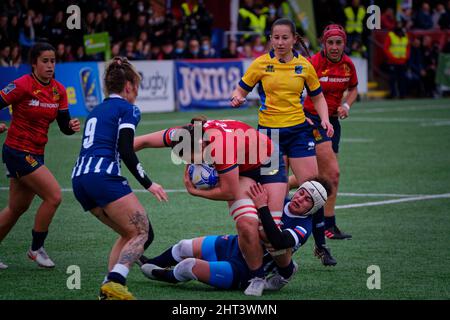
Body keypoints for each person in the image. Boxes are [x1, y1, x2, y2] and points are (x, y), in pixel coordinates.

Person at [134, 118, 288, 296]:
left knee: (269, 232)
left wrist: (195, 192)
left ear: (203, 145)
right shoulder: (183, 134)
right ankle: (257, 277)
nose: (192, 164)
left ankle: (286, 272)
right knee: (246, 224)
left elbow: (229, 192)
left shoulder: (220, 148)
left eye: (194, 159)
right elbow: (140, 141)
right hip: (242, 165)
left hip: (269, 162)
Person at [230, 18, 336, 266]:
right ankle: (271, 246)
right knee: (271, 194)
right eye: (275, 37)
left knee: (313, 189)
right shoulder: (260, 64)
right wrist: (237, 98)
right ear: (271, 39)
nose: (279, 42)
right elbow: (240, 90)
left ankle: (321, 246)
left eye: (284, 38)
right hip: (269, 136)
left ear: (294, 39)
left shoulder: (304, 66)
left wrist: (324, 119)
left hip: (299, 133)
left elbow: (318, 97)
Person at [71, 56, 168, 300]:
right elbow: (126, 149)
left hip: (80, 179)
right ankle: (116, 280)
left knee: (129, 233)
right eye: (136, 88)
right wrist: (149, 183)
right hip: (103, 177)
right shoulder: (128, 109)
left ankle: (108, 288)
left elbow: (115, 145)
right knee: (142, 233)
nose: (136, 93)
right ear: (128, 86)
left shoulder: (96, 110)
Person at [139, 179, 329, 292]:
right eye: (301, 193)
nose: (300, 199)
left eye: (307, 200)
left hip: (245, 268)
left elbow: (278, 241)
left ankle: (167, 276)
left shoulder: (304, 226)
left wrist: (262, 206)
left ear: (314, 208)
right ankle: (151, 261)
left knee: (188, 266)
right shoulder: (281, 199)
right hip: (234, 244)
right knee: (183, 247)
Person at [0, 42, 81, 270]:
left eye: (53, 61)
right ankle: (36, 249)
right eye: (44, 61)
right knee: (54, 196)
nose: (49, 65)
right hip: (17, 151)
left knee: (17, 208)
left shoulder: (59, 90)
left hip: (36, 153)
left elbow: (64, 125)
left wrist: (71, 125)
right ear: (33, 63)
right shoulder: (22, 85)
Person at [288, 24, 358, 240]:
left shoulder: (348, 65)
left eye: (339, 42)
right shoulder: (314, 63)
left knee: (320, 177)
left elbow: (353, 88)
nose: (335, 47)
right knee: (333, 174)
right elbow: (295, 88)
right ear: (323, 43)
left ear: (344, 44)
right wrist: (300, 113)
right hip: (313, 120)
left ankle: (278, 182)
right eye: (330, 42)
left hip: (333, 123)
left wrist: (346, 106)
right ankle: (329, 225)